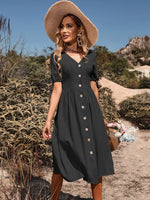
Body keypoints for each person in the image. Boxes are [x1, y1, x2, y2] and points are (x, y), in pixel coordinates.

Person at [42, 1, 114, 199]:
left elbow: (93, 87)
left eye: (69, 26)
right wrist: (48, 120)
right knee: (60, 160)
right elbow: (57, 89)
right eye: (62, 27)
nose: (64, 30)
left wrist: (101, 117)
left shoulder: (91, 57)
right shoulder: (57, 57)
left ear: (79, 30)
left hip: (91, 114)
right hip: (67, 115)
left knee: (95, 160)